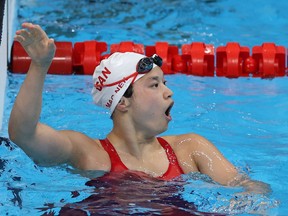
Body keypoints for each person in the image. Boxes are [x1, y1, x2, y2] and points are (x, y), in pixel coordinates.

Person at [9, 23, 269, 193]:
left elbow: (248, 186)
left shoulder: (190, 149)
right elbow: (23, 134)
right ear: (122, 100)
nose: (169, 91)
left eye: (164, 83)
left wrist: (247, 202)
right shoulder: (88, 153)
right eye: (155, 85)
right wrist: (40, 65)